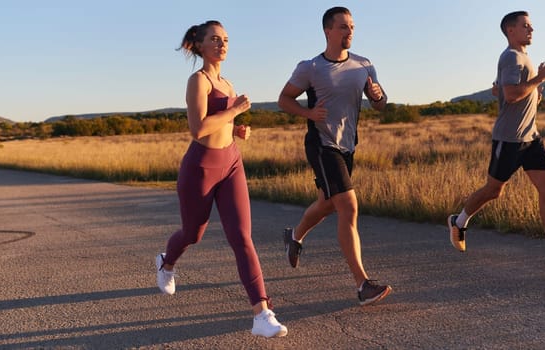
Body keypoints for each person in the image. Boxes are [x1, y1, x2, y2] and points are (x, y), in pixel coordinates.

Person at [155, 20, 287, 338]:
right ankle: (166, 261)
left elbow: (219, 125)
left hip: (231, 163)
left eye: (226, 39)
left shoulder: (226, 83)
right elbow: (198, 128)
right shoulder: (197, 81)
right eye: (215, 39)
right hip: (200, 168)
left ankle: (262, 314)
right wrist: (235, 112)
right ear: (199, 45)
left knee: (242, 238)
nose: (222, 44)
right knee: (192, 234)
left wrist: (236, 130)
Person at [446, 11, 545, 274]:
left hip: (531, 138)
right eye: (525, 25)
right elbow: (511, 95)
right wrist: (540, 79)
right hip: (510, 138)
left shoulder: (524, 58)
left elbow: (505, 91)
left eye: (531, 25)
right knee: (493, 191)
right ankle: (459, 221)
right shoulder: (511, 56)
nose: (531, 29)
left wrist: (535, 93)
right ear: (510, 30)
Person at [277, 6, 393, 306]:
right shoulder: (311, 68)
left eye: (352, 26)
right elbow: (283, 99)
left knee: (328, 203)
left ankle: (295, 236)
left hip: (348, 146)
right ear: (328, 31)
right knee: (348, 206)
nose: (349, 31)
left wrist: (378, 97)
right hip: (321, 144)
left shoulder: (363, 65)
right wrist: (307, 112)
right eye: (343, 27)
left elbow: (380, 105)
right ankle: (362, 284)